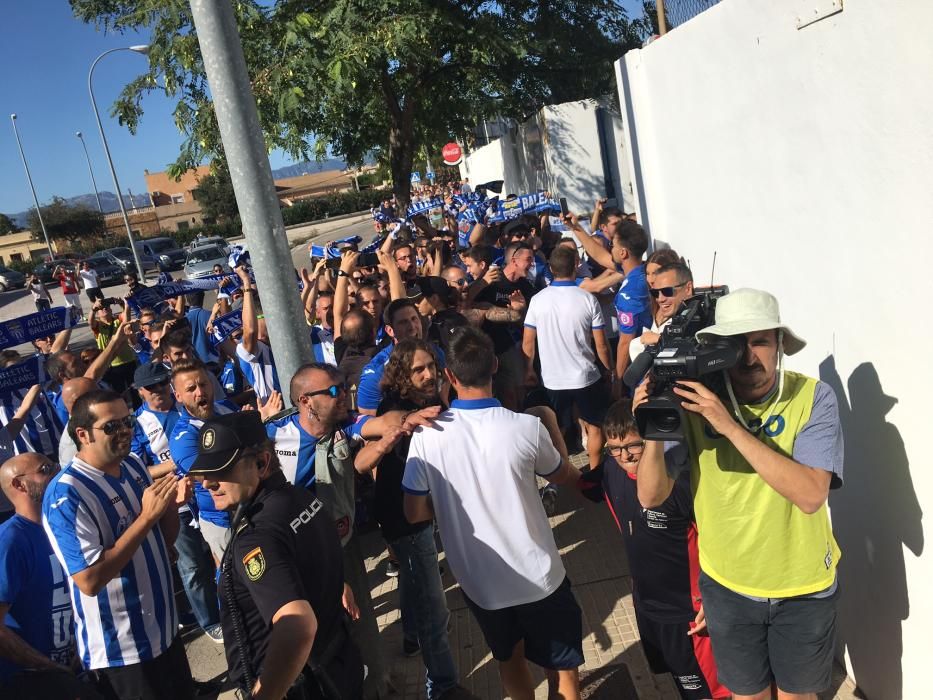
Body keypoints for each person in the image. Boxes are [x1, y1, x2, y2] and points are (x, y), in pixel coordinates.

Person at [635, 288, 844, 700]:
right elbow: (651, 496)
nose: (749, 357)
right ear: (717, 350)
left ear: (781, 345)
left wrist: (728, 424)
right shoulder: (692, 400)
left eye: (760, 341)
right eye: (736, 344)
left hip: (802, 587)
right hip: (729, 587)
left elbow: (810, 495)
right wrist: (654, 427)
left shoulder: (813, 398)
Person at [403, 327, 585, 700]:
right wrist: (552, 426)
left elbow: (415, 514)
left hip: (480, 584)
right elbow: (563, 475)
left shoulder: (425, 437)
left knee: (509, 659)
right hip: (541, 577)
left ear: (449, 376)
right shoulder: (527, 428)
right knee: (563, 667)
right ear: (496, 366)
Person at [190, 410, 364, 699]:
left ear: (261, 463)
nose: (208, 483)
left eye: (221, 470)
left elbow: (297, 624)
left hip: (302, 685)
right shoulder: (300, 498)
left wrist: (266, 694)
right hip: (336, 665)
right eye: (206, 472)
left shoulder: (256, 536)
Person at [41, 389, 195, 699]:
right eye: (112, 426)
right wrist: (146, 518)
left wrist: (170, 509)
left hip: (164, 632)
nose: (125, 430)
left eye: (128, 421)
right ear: (83, 434)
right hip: (122, 652)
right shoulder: (66, 495)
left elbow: (161, 541)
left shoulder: (134, 466)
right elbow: (89, 580)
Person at [578, 401, 729, 700]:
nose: (625, 456)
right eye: (615, 448)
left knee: (711, 692)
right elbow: (581, 484)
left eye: (634, 445)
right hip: (647, 606)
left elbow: (723, 544)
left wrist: (715, 599)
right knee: (679, 681)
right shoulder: (610, 469)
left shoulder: (681, 482)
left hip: (690, 613)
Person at [354, 339, 469, 700]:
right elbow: (386, 428)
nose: (427, 374)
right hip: (406, 518)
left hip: (414, 514)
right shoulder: (399, 408)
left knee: (414, 577)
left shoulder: (429, 401)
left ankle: (409, 636)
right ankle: (443, 687)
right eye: (418, 369)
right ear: (403, 374)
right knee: (435, 610)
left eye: (430, 366)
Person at [131, 362, 224, 643]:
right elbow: (138, 469)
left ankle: (228, 610)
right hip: (176, 503)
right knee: (193, 567)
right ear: (140, 393)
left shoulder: (189, 410)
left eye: (162, 384)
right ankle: (210, 621)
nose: (159, 390)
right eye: (152, 387)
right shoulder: (137, 424)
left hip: (207, 498)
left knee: (219, 561)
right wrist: (179, 464)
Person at [0, 453, 103, 700]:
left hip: (82, 663)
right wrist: (49, 667)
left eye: (56, 465)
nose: (58, 472)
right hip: (35, 681)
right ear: (19, 484)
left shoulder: (63, 524)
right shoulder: (10, 541)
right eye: (46, 469)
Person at [522, 245, 613, 471]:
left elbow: (527, 342)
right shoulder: (587, 299)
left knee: (558, 429)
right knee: (594, 426)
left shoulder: (537, 300)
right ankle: (594, 471)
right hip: (586, 376)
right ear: (575, 265)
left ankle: (565, 475)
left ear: (551, 269)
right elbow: (601, 344)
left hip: (553, 379)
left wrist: (529, 370)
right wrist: (609, 369)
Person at [168, 359, 245, 562]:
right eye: (191, 388)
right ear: (178, 396)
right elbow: (212, 476)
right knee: (236, 585)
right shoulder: (183, 437)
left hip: (252, 507)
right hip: (222, 520)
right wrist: (248, 436)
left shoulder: (227, 407)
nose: (200, 392)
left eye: (203, 384)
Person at [566, 212, 651, 393]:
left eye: (612, 244)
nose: (609, 248)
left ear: (623, 253)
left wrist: (618, 381)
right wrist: (576, 228)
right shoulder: (637, 269)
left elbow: (625, 342)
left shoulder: (632, 290)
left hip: (638, 374)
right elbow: (600, 255)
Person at [470, 242, 536, 410]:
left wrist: (520, 311)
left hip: (508, 348)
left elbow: (528, 323)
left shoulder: (526, 288)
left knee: (514, 390)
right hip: (483, 348)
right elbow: (466, 302)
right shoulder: (493, 279)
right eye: (528, 259)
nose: (532, 264)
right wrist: (483, 282)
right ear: (514, 261)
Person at [356, 298, 445, 416]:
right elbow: (368, 421)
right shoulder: (375, 374)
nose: (412, 326)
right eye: (403, 322)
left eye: (414, 319)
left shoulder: (435, 351)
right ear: (390, 330)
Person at [629, 260, 694, 362]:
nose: (660, 299)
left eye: (667, 291)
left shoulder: (703, 316)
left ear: (688, 288)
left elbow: (699, 351)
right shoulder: (661, 314)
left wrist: (659, 339)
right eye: (655, 293)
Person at [89, 300, 139, 394]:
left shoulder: (118, 320)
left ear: (111, 310)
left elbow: (126, 317)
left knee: (135, 391)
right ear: (98, 314)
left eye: (107, 307)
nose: (104, 308)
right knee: (118, 393)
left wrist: (123, 303)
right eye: (101, 309)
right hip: (111, 365)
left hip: (128, 361)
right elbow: (90, 322)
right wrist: (93, 309)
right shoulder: (98, 325)